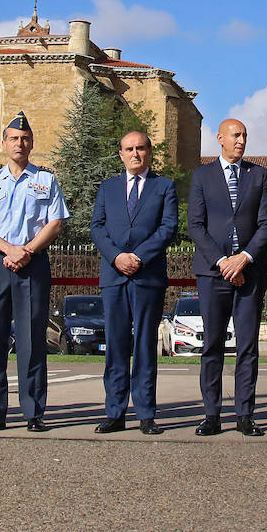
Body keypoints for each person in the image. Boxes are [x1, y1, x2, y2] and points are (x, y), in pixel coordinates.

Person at [0, 111, 68, 432]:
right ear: (4, 143)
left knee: (31, 339)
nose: (19, 144)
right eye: (13, 138)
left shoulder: (46, 179)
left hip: (33, 261)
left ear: (32, 143)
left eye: (25, 139)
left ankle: (33, 411)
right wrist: (9, 249)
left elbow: (55, 222)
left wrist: (26, 250)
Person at [187, 118, 267, 436]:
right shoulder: (202, 175)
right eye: (235, 135)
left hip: (250, 272)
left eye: (245, 136)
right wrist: (224, 261)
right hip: (213, 274)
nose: (241, 140)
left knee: (247, 346)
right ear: (220, 138)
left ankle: (244, 415)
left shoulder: (259, 175)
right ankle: (211, 414)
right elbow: (195, 225)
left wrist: (244, 258)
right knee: (212, 345)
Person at [91, 130, 178, 435]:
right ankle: (114, 412)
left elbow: (168, 228)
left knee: (144, 346)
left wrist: (138, 257)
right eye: (129, 149)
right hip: (114, 277)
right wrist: (117, 257)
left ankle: (145, 414)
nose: (135, 154)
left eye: (140, 148)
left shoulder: (164, 186)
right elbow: (97, 227)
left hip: (147, 276)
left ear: (149, 152)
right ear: (121, 154)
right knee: (116, 345)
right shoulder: (107, 187)